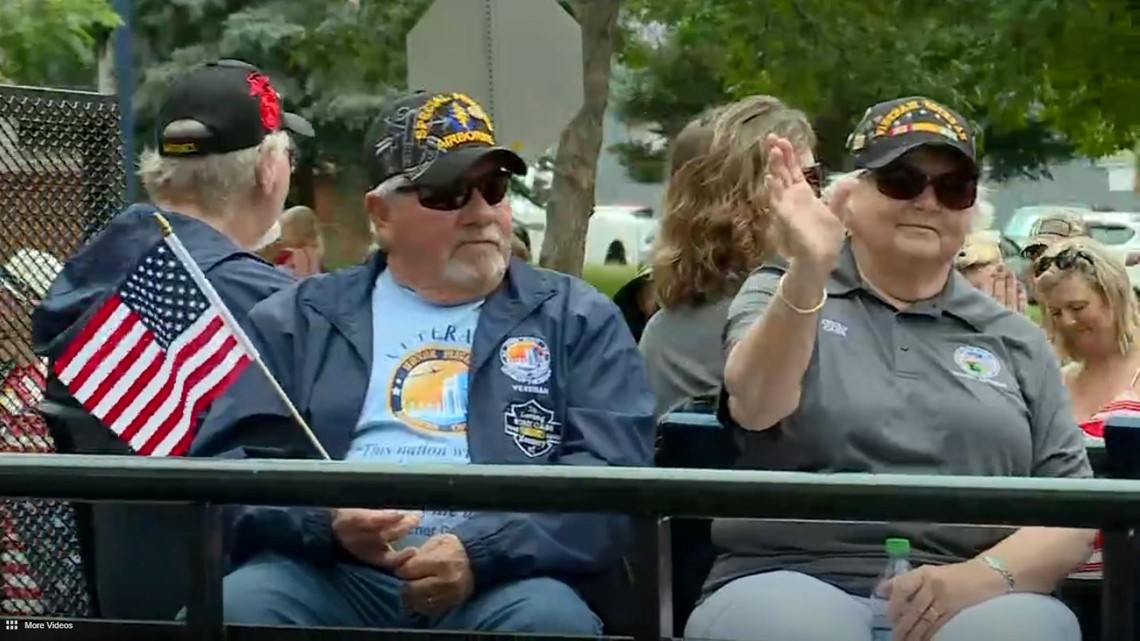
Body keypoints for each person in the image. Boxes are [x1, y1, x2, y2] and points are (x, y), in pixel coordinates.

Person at [192, 90, 655, 635]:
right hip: (328, 576)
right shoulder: (299, 318)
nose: (481, 213)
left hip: (509, 582)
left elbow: (611, 477)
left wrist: (479, 551)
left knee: (551, 622)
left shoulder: (576, 319)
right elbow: (230, 472)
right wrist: (326, 524)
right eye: (449, 193)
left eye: (494, 188)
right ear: (381, 215)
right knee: (237, 611)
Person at [687, 96, 1093, 641]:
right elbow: (757, 405)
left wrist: (977, 578)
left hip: (974, 594)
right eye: (901, 180)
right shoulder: (781, 289)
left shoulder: (1014, 337)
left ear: (972, 210)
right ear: (849, 195)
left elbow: (1070, 510)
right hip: (791, 574)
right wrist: (809, 268)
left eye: (953, 189)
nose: (928, 201)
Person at [29, 59, 314, 621]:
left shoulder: (87, 283)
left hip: (117, 604)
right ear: (269, 171)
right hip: (247, 603)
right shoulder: (277, 310)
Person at [640, 96, 818, 417]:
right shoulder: (684, 336)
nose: (812, 197)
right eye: (793, 180)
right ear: (736, 202)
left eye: (813, 178)